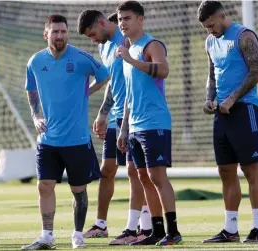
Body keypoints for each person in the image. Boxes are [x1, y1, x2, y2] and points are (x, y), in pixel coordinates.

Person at [21, 14, 110, 250]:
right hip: (48, 140)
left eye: (63, 31)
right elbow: (31, 90)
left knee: (78, 190)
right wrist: (35, 115)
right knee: (44, 186)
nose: (59, 36)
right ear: (46, 34)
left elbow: (106, 76)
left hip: (77, 140)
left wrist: (87, 92)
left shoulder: (82, 59)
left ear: (67, 33)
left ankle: (78, 235)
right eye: (55, 31)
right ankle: (47, 236)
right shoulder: (35, 61)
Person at [77, 9, 152, 245]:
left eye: (92, 34)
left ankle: (144, 225)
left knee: (137, 171)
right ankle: (101, 224)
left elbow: (132, 82)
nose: (93, 39)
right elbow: (113, 81)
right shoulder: (104, 46)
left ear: (101, 23)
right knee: (107, 169)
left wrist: (124, 121)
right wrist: (103, 112)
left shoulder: (126, 41)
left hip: (132, 115)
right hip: (115, 116)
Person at [198, 0, 258, 243]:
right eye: (206, 27)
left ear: (223, 16)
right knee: (226, 170)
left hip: (245, 109)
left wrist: (233, 98)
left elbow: (256, 72)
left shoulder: (244, 36)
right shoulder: (209, 42)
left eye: (212, 25)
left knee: (250, 169)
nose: (210, 30)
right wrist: (210, 99)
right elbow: (212, 75)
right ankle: (230, 230)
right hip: (222, 113)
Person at [116, 1, 182, 245]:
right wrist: (123, 128)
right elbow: (129, 95)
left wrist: (132, 61)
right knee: (143, 177)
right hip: (134, 126)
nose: (122, 23)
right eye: (120, 19)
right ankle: (156, 230)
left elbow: (163, 70)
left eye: (127, 18)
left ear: (140, 20)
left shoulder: (151, 45)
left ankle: (173, 232)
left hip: (154, 122)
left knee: (157, 177)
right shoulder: (126, 50)